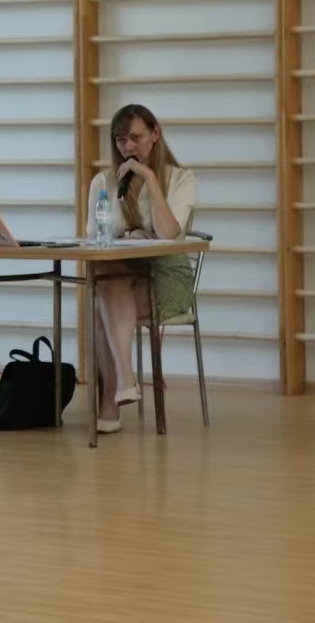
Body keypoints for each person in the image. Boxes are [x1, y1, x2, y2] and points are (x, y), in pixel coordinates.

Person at [85, 104, 197, 434]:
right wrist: (127, 235)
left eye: (136, 137)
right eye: (121, 140)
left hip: (164, 278)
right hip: (122, 275)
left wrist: (149, 178)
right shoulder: (104, 181)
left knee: (103, 307)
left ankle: (114, 396)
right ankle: (125, 380)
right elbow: (94, 236)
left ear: (155, 134)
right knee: (107, 283)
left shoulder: (180, 178)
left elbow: (168, 232)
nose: (128, 147)